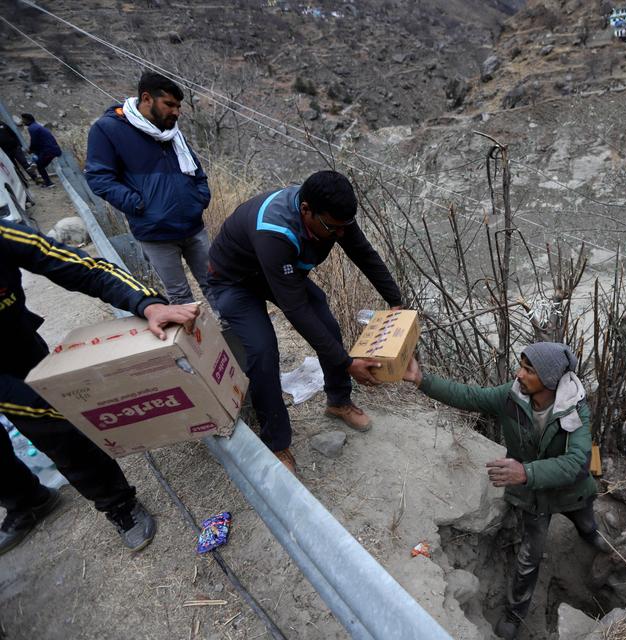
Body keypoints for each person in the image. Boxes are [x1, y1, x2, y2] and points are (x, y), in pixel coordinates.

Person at [0, 219, 200, 554]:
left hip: (15, 345)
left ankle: (117, 503)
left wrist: (147, 303)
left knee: (54, 423)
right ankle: (25, 501)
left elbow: (84, 268)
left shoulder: (4, 235)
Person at [402, 342, 608, 640]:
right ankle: (515, 614)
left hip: (569, 490)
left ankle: (592, 537)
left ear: (549, 380)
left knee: (587, 523)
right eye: (521, 366)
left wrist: (526, 472)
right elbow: (470, 396)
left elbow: (578, 462)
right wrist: (422, 380)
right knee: (528, 559)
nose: (519, 374)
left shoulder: (574, 407)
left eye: (529, 370)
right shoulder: (513, 396)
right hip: (535, 497)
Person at [207, 170, 402, 472]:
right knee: (262, 350)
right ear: (306, 210)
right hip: (235, 280)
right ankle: (277, 443)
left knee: (327, 324)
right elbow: (296, 309)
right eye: (332, 228)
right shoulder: (274, 231)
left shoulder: (334, 215)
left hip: (276, 271)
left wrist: (395, 301)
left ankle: (338, 401)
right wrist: (347, 362)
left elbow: (364, 254)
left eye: (344, 227)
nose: (340, 234)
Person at [84, 72, 212, 305]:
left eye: (178, 106)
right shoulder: (108, 129)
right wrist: (139, 205)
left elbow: (196, 171)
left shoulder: (171, 131)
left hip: (194, 227)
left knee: (217, 284)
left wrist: (200, 197)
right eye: (169, 104)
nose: (176, 112)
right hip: (156, 234)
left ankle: (231, 329)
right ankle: (196, 332)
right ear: (146, 98)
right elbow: (99, 177)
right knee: (181, 298)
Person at [19, 114, 60, 188]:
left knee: (40, 166)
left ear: (27, 120)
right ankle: (34, 164)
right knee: (40, 165)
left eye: (23, 120)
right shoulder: (37, 126)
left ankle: (49, 183)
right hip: (52, 149)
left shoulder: (32, 128)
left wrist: (30, 150)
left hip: (48, 151)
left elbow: (34, 142)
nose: (22, 121)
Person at [0, 121, 40, 186]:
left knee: (24, 163)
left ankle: (35, 178)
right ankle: (24, 182)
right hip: (6, 152)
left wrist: (19, 144)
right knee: (15, 168)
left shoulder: (2, 124)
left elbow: (13, 134)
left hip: (15, 148)